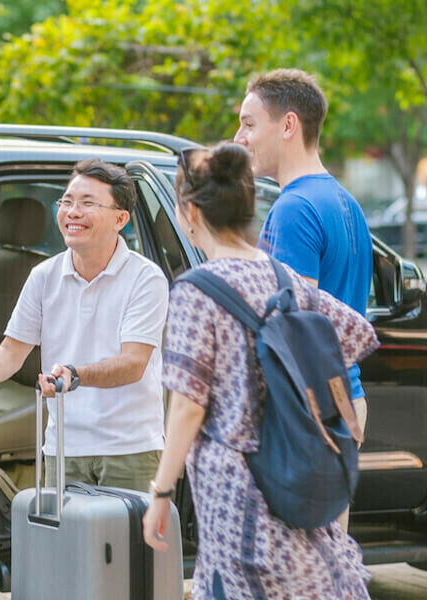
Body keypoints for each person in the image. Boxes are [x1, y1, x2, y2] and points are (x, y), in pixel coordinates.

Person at [142, 143, 378, 600]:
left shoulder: (195, 291)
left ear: (190, 211)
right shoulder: (284, 278)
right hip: (294, 475)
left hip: (235, 492)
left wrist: (162, 492)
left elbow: (189, 406)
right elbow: (356, 334)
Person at [0, 159, 169, 492]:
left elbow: (134, 364)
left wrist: (76, 375)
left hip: (129, 448)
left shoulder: (146, 278)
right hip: (64, 445)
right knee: (68, 545)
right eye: (66, 201)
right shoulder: (44, 276)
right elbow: (11, 352)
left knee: (128, 546)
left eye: (88, 203)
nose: (72, 212)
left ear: (120, 219)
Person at [234, 69, 373, 526]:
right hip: (343, 401)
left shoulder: (293, 210)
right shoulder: (345, 203)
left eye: (250, 124)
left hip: (304, 414)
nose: (240, 137)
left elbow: (295, 329)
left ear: (288, 126)